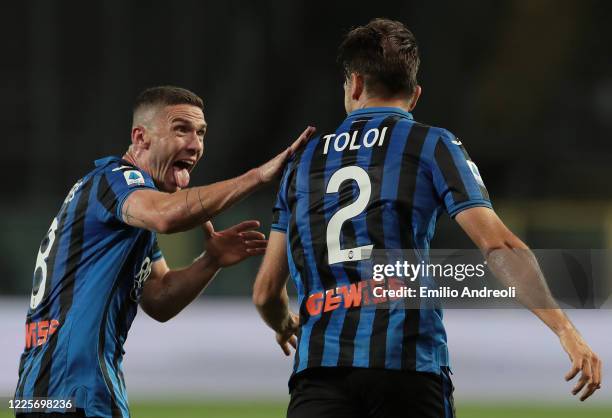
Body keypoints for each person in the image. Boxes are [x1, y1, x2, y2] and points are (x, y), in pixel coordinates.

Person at [253, 19, 602, 418]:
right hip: (406, 366)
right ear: (414, 95)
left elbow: (265, 291)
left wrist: (283, 323)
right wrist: (565, 330)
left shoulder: (303, 161)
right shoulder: (432, 144)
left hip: (321, 373)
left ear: (354, 84)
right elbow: (499, 245)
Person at [15, 86, 315, 418]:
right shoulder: (115, 180)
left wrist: (210, 260)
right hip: (76, 385)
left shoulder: (124, 211)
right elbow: (166, 216)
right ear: (140, 137)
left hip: (42, 387)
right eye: (181, 130)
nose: (195, 144)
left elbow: (159, 299)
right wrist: (258, 177)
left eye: (200, 133)